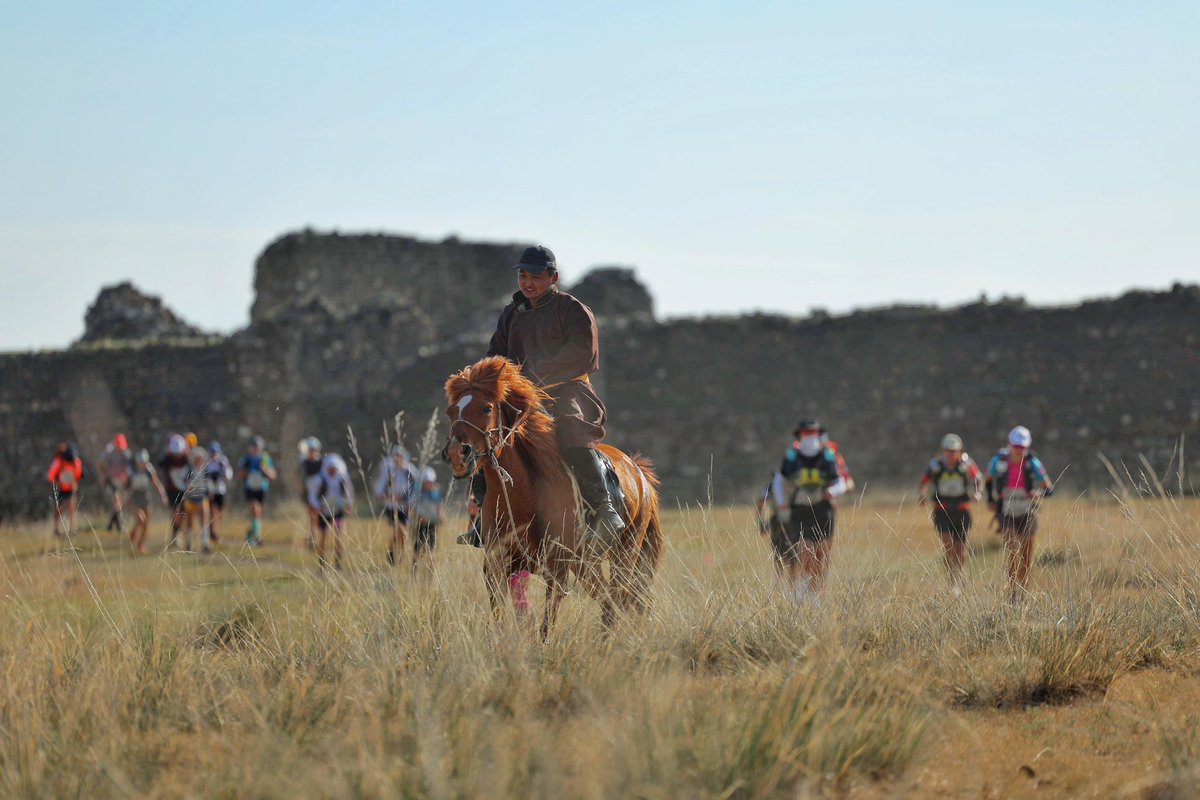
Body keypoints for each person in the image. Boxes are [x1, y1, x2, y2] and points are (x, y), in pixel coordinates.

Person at [459, 244, 623, 549]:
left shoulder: (572, 310)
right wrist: (479, 377)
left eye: (535, 276)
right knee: (485, 434)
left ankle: (604, 508)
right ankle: (482, 516)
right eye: (523, 275)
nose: (527, 282)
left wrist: (534, 374)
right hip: (521, 398)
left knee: (571, 428)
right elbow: (495, 356)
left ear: (553, 277)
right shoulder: (511, 315)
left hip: (568, 391)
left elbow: (583, 355)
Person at [771, 419, 848, 603]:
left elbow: (841, 481)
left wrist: (832, 491)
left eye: (813, 433)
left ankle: (818, 593)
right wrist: (782, 503)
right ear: (800, 435)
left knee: (822, 554)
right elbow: (779, 481)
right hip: (800, 510)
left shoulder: (828, 456)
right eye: (806, 433)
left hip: (823, 509)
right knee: (806, 550)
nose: (810, 437)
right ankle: (803, 592)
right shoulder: (792, 457)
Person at [986, 426, 1054, 600]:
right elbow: (988, 479)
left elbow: (1049, 488)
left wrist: (1037, 494)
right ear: (1009, 444)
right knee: (1011, 549)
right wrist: (990, 500)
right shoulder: (998, 462)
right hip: (1006, 511)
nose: (1019, 450)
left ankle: (1023, 591)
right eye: (1016, 446)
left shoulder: (1033, 464)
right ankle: (1011, 589)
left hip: (1028, 512)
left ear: (1027, 446)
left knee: (1026, 554)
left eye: (1022, 447)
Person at [918, 433, 984, 589]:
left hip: (962, 511)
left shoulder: (967, 464)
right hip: (942, 510)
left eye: (954, 450)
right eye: (948, 450)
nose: (951, 454)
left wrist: (978, 492)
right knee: (948, 547)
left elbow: (979, 479)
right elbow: (924, 482)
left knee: (960, 549)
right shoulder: (935, 465)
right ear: (943, 450)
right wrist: (922, 495)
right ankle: (952, 581)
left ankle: (958, 575)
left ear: (959, 451)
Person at [374, 444, 417, 566]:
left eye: (400, 456)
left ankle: (396, 554)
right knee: (400, 530)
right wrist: (387, 496)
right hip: (391, 507)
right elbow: (380, 489)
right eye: (395, 456)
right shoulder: (389, 471)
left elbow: (415, 489)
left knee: (402, 533)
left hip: (405, 507)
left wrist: (404, 499)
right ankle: (394, 555)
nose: (397, 459)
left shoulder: (410, 471)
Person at [310, 453, 353, 570]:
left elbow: (348, 493)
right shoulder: (320, 479)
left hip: (339, 510)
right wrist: (317, 506)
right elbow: (313, 496)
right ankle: (322, 562)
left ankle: (338, 562)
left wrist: (348, 505)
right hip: (324, 511)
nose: (333, 471)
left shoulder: (343, 479)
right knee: (325, 536)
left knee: (340, 535)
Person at [126, 449, 168, 553]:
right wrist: (123, 498)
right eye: (140, 462)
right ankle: (133, 532)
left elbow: (157, 484)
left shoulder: (149, 470)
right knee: (141, 519)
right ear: (136, 462)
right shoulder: (132, 471)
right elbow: (125, 486)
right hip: (134, 497)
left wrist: (162, 496)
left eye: (144, 462)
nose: (142, 464)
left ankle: (141, 543)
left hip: (145, 497)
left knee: (146, 523)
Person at [239, 436, 276, 546]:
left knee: (257, 514)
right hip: (250, 489)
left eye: (257, 447)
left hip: (262, 489)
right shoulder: (246, 459)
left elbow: (273, 475)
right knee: (256, 509)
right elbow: (241, 474)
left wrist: (264, 470)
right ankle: (258, 538)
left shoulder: (265, 459)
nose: (255, 449)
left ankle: (250, 536)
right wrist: (248, 470)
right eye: (253, 447)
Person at [47, 443, 84, 539]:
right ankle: (56, 530)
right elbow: (50, 475)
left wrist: (74, 481)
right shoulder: (58, 461)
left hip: (71, 489)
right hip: (60, 489)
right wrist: (57, 481)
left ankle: (72, 530)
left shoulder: (76, 462)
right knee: (58, 510)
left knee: (72, 509)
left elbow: (78, 475)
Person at [159, 434, 191, 547]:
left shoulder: (187, 458)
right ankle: (175, 535)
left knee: (182, 514)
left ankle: (178, 534)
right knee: (175, 512)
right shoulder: (167, 458)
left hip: (183, 490)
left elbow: (194, 468)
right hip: (171, 490)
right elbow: (160, 464)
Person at [410, 466, 443, 573]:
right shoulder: (417, 493)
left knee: (431, 549)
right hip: (420, 525)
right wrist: (420, 517)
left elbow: (439, 507)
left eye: (430, 482)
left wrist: (441, 516)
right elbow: (410, 509)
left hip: (432, 524)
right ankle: (414, 572)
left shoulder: (435, 492)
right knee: (417, 549)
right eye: (427, 482)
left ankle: (430, 574)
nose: (429, 484)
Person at [98, 433, 132, 534]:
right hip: (111, 480)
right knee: (116, 501)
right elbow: (100, 464)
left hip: (122, 480)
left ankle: (111, 523)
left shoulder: (127, 453)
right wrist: (102, 476)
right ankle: (120, 525)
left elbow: (129, 468)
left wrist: (127, 477)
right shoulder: (108, 453)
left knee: (120, 502)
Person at [205, 442, 234, 545]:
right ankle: (212, 531)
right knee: (212, 511)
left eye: (214, 452)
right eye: (211, 452)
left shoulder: (222, 461)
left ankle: (214, 528)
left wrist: (226, 476)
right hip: (210, 491)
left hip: (220, 489)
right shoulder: (206, 462)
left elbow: (228, 472)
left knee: (220, 511)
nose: (213, 454)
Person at [297, 437, 324, 550]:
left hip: (318, 492)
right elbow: (299, 477)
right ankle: (312, 538)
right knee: (312, 515)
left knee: (316, 516)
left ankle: (312, 537)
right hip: (308, 492)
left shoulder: (321, 462)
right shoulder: (304, 463)